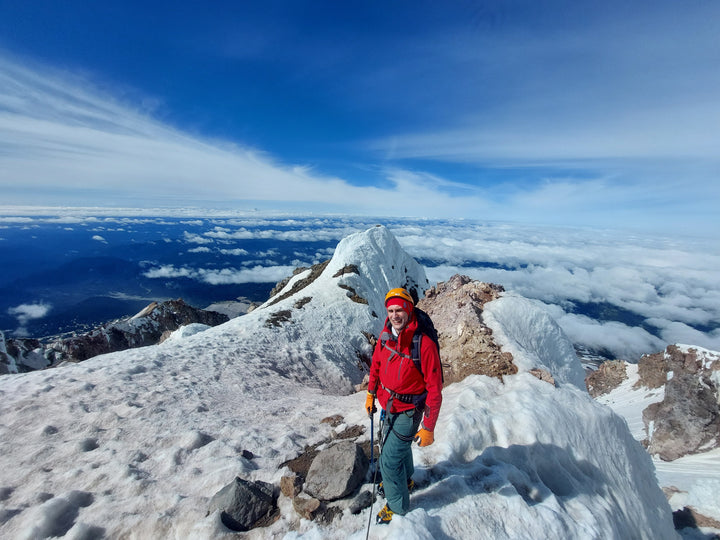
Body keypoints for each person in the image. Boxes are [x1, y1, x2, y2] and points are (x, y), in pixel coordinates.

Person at [365, 287, 443, 524]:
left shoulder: (424, 344)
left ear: (409, 310)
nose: (395, 315)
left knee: (388, 461)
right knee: (394, 449)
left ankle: (397, 507)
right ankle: (406, 480)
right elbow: (376, 365)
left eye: (399, 310)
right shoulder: (386, 335)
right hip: (388, 404)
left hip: (409, 411)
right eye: (390, 310)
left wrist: (428, 427)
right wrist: (370, 394)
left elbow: (435, 390)